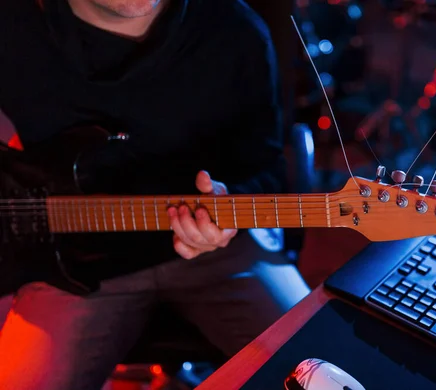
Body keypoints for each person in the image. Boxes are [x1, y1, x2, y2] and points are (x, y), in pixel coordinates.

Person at [0, 0, 311, 389]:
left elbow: (266, 167)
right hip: (68, 261)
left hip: (223, 252)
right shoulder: (13, 24)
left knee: (324, 368)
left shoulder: (236, 30)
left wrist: (228, 202)